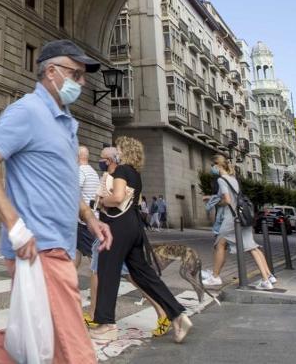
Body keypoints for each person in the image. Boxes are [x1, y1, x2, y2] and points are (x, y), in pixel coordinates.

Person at [0, 40, 112, 364]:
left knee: (25, 344)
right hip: (40, 249)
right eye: (76, 74)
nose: (82, 83)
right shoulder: (27, 111)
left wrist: (89, 217)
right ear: (51, 72)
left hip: (59, 248)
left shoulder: (65, 122)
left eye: (83, 76)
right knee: (76, 353)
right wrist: (15, 226)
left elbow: (63, 182)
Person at [92, 136, 190, 343]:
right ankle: (177, 314)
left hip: (118, 227)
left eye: (118, 148)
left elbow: (117, 197)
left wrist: (101, 201)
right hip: (135, 228)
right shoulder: (136, 174)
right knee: (144, 274)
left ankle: (106, 324)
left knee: (107, 270)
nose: (115, 151)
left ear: (124, 151)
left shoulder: (121, 170)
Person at [205, 155, 276, 289]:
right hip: (242, 218)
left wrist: (217, 203)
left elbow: (227, 200)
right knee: (252, 247)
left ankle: (215, 277)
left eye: (213, 166)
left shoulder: (221, 180)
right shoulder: (233, 179)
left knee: (219, 245)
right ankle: (268, 277)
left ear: (218, 166)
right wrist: (212, 197)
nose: (212, 169)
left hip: (231, 219)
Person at [75, 145, 102, 272]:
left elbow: (75, 192)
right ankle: (67, 283)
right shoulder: (93, 172)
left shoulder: (80, 171)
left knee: (94, 257)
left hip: (83, 221)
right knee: (75, 252)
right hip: (90, 218)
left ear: (77, 156)